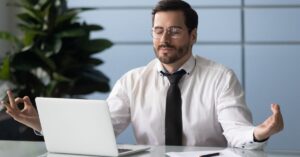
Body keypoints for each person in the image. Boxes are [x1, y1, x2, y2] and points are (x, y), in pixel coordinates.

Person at [1, 0, 283, 149]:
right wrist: (44, 123)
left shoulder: (221, 77)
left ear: (193, 35)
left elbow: (236, 132)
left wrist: (260, 132)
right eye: (158, 31)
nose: (165, 39)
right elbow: (101, 131)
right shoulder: (132, 81)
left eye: (174, 31)